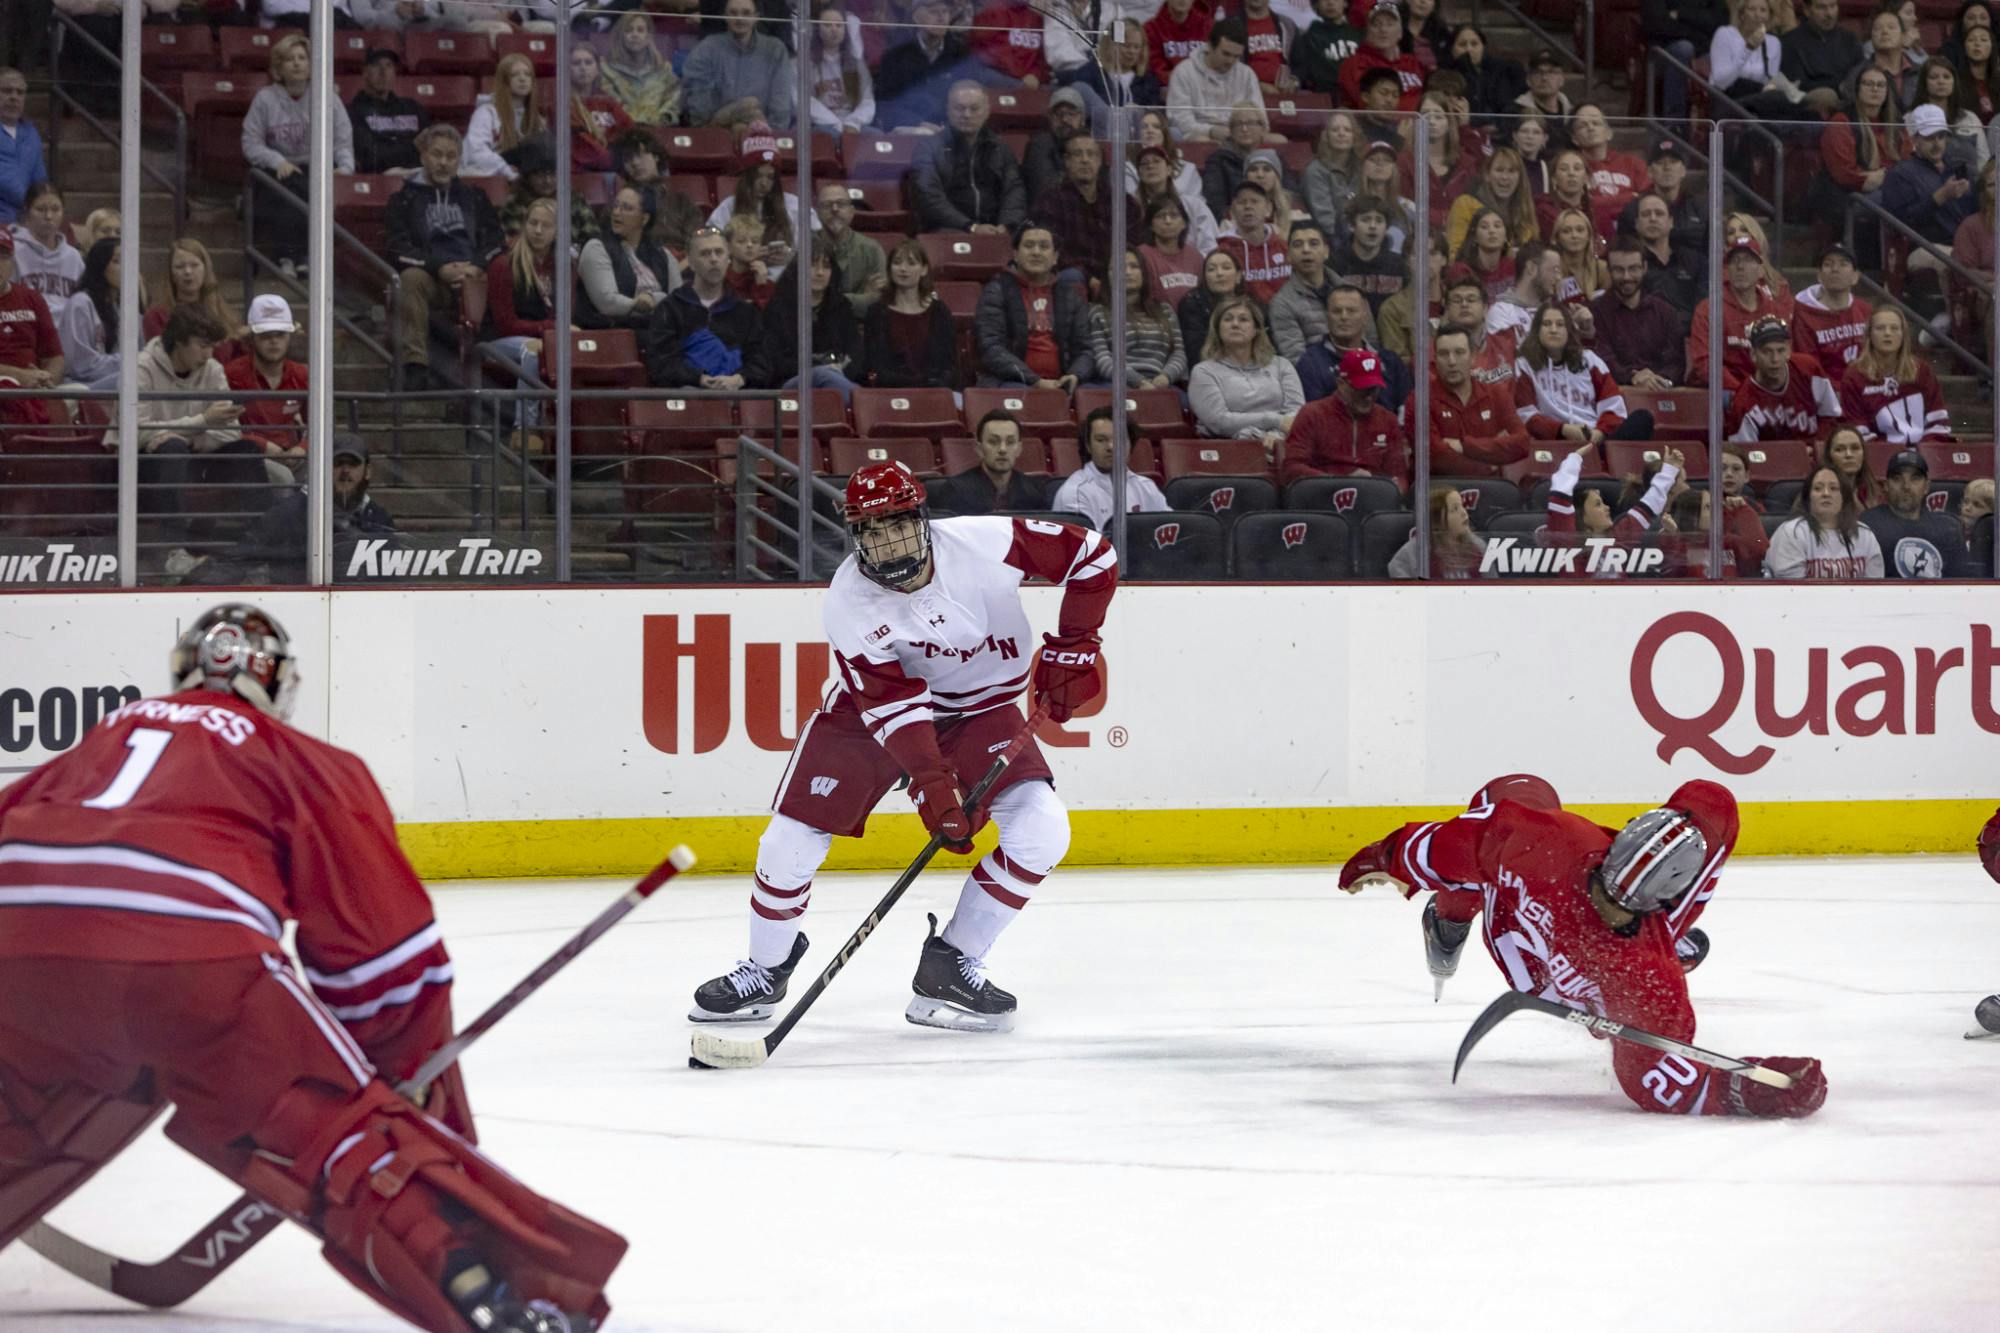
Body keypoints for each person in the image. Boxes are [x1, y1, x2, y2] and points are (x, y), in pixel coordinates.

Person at [0, 604, 626, 1332]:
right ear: (277, 682)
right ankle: (501, 1301)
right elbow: (384, 960)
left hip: (15, 943)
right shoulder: (293, 754)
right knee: (335, 1127)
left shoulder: (100, 740)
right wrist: (403, 1079)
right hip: (191, 959)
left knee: (17, 1103)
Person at [687, 463, 1118, 1032]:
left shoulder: (984, 543)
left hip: (981, 709)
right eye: (871, 530)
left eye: (897, 525)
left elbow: (1093, 556)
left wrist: (1075, 646)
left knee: (1043, 829)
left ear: (922, 519)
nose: (887, 543)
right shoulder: (849, 602)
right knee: (787, 842)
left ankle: (950, 965)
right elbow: (895, 707)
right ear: (854, 535)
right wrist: (935, 786)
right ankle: (765, 970)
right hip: (867, 717)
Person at [1338, 780, 1826, 1117]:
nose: (1607, 905)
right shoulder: (1646, 972)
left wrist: (1382, 856)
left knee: (1506, 807)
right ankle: (1448, 922)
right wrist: (1743, 1091)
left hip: (1562, 956)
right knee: (1509, 800)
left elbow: (1657, 1079)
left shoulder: (1550, 842)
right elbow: (1667, 1086)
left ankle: (1464, 924)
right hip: (1533, 957)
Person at [386, 124, 505, 389]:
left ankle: (491, 364)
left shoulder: (474, 197)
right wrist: (439, 267)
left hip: (474, 278)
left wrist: (476, 266)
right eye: (437, 154)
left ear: (459, 160)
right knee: (410, 279)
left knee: (503, 271)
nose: (443, 163)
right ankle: (415, 367)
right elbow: (397, 248)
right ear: (423, 157)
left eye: (451, 156)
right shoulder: (404, 199)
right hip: (433, 278)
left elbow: (496, 241)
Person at [241, 34, 356, 280]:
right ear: (279, 67)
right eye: (289, 59)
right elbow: (250, 142)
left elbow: (342, 139)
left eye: (302, 58)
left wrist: (345, 167)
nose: (296, 63)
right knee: (291, 188)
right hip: (278, 170)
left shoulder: (327, 97)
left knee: (307, 187)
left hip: (316, 169)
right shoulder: (265, 98)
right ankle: (292, 256)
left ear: (311, 64)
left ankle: (297, 256)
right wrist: (277, 161)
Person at [1515, 302, 1655, 445]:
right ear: (1537, 330)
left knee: (1642, 418)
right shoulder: (1524, 366)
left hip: (1594, 440)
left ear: (1569, 330)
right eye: (1546, 324)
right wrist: (1563, 429)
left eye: (1560, 324)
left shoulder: (1590, 360)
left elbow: (1613, 406)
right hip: (1554, 442)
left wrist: (1600, 433)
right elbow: (1526, 416)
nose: (1553, 330)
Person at [975, 222, 1093, 390]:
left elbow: (1085, 349)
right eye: (1029, 245)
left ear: (1055, 257)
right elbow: (991, 347)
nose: (1036, 252)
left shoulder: (1070, 295)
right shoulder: (997, 290)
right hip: (1011, 381)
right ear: (1015, 254)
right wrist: (1036, 381)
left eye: (1044, 246)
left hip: (1063, 382)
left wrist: (1075, 376)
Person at [1407, 322, 1529, 477]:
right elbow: (1436, 457)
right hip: (1439, 487)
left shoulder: (1496, 394)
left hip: (1490, 487)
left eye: (1459, 352)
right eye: (1444, 354)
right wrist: (1489, 463)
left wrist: (1465, 446)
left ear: (1473, 357)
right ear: (1435, 360)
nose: (1452, 361)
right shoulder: (1419, 400)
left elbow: (1522, 443)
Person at [643, 226, 757, 388]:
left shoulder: (745, 311)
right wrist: (699, 379)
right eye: (705, 253)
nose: (714, 259)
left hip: (738, 393)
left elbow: (760, 360)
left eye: (719, 252)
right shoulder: (670, 308)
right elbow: (662, 363)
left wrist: (739, 379)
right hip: (688, 393)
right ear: (691, 262)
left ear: (728, 259)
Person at [485, 196, 560, 441]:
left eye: (546, 225)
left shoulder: (563, 265)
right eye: (533, 223)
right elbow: (506, 325)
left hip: (547, 337)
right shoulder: (504, 264)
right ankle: (525, 429)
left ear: (558, 231)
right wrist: (550, 329)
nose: (537, 230)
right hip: (497, 343)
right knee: (533, 351)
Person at [1279, 346, 1407, 485]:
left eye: (1374, 389)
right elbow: (1292, 468)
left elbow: (1399, 476)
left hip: (1373, 494)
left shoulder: (1387, 420)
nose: (1369, 397)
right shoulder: (1312, 415)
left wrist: (1394, 487)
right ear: (1341, 384)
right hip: (1322, 494)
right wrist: (1341, 482)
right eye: (1361, 390)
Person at [1190, 295, 1303, 453]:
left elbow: (1297, 412)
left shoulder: (1281, 365)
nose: (1235, 324)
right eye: (1228, 319)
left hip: (1281, 443)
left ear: (1256, 330)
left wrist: (1276, 436)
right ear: (1218, 328)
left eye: (1243, 319)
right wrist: (1272, 421)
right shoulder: (1203, 371)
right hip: (1229, 449)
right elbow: (1219, 422)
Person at [913, 83, 1028, 235]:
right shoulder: (929, 147)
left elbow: (1014, 190)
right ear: (948, 110)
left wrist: (1007, 225)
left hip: (996, 230)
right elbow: (929, 197)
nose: (967, 115)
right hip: (947, 230)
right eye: (959, 108)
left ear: (987, 111)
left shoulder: (1000, 147)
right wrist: (971, 227)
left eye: (974, 109)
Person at [746, 250, 861, 399]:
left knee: (828, 377)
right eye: (812, 265)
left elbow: (855, 352)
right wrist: (819, 367)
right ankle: (866, 404)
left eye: (826, 266)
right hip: (788, 384)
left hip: (837, 378)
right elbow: (774, 360)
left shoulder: (842, 306)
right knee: (823, 374)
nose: (819, 272)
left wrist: (840, 369)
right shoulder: (778, 307)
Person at [1687, 234, 1791, 388]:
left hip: (1766, 388)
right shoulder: (1709, 309)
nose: (1740, 266)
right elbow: (1704, 364)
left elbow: (1786, 356)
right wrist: (1742, 391)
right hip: (1725, 392)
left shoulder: (1775, 311)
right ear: (1727, 269)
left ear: (1761, 270)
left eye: (1748, 260)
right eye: (1735, 261)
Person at [224, 294, 310, 477]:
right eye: (265, 336)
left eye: (280, 334)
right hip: (249, 457)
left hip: (293, 455)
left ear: (290, 337)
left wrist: (302, 448)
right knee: (283, 478)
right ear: (251, 338)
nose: (274, 341)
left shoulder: (302, 375)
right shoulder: (231, 374)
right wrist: (263, 445)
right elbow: (223, 429)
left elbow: (319, 422)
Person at [861, 238, 961, 388]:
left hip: (935, 390)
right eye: (897, 263)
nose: (903, 269)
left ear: (924, 269)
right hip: (891, 391)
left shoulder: (940, 312)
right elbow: (877, 366)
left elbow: (948, 365)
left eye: (911, 263)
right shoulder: (877, 312)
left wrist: (929, 387)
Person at [1840, 306, 1951, 441]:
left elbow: (1938, 421)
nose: (1887, 333)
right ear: (1869, 335)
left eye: (1894, 328)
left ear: (1903, 335)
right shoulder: (1854, 376)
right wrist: (1888, 452)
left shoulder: (1922, 371)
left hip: (1923, 450)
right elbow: (1858, 430)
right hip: (1877, 452)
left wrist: (1923, 450)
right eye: (1880, 328)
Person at [1725, 316, 1843, 442]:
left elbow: (1831, 418)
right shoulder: (1743, 402)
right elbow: (1744, 451)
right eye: (1766, 352)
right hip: (1771, 455)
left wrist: (1816, 448)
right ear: (1753, 354)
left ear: (1788, 351)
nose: (1775, 359)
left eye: (1780, 351)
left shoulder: (1809, 369)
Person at [1049, 407, 1171, 527]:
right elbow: (1084, 540)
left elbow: (1171, 529)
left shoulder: (1146, 487)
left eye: (1119, 439)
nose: (1111, 447)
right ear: (1088, 446)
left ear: (1130, 444)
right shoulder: (1075, 493)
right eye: (1101, 440)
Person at [580, 185, 681, 331]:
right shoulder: (596, 248)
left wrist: (654, 298)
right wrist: (636, 304)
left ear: (644, 218)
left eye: (626, 208)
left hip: (659, 331)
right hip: (612, 333)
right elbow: (608, 303)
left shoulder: (663, 255)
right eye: (615, 206)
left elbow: (678, 301)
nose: (616, 212)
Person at [1036, 133, 1126, 295]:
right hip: (1073, 278)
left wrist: (1109, 278)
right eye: (1078, 154)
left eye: (1091, 154)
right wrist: (1089, 278)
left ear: (1100, 160)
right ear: (1067, 161)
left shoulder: (1119, 201)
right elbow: (1052, 250)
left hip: (1113, 277)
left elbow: (1131, 246)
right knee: (1071, 276)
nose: (1085, 160)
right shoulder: (1050, 200)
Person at [1298, 281, 1412, 408]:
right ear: (1327, 316)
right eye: (1337, 311)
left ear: (1365, 317)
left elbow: (1406, 409)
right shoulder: (1311, 362)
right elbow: (1315, 413)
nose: (1344, 317)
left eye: (1351, 311)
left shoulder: (1390, 362)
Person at [685, 0, 797, 129]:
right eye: (733, 13)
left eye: (746, 13)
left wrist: (775, 132)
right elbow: (699, 103)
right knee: (749, 105)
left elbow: (781, 100)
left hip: (765, 130)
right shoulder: (706, 48)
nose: (739, 18)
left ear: (756, 17)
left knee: (751, 109)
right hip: (716, 129)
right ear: (725, 16)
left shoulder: (775, 49)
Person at [1882, 103, 1977, 255]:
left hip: (1968, 245)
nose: (1937, 143)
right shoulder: (1900, 174)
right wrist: (1939, 197)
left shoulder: (1959, 168)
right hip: (1927, 249)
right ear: (1914, 140)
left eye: (1941, 137)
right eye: (1929, 138)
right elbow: (1900, 224)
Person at [1592, 240, 1687, 388]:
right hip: (1616, 391)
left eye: (1633, 269)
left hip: (1663, 391)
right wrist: (1632, 376)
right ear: (1609, 271)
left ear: (1645, 268)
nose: (1626, 277)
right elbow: (1603, 358)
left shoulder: (1665, 311)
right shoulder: (1597, 312)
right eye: (1618, 270)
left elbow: (1676, 361)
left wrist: (1660, 380)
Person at [1862, 447, 1969, 576]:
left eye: (1915, 478)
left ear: (1926, 487)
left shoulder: (1948, 528)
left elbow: (1963, 582)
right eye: (1897, 479)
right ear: (1886, 486)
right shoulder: (1868, 525)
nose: (1906, 486)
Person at [1767, 463, 1886, 576]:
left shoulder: (1864, 535)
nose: (1826, 494)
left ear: (1844, 497)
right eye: (1818, 488)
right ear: (1808, 497)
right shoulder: (1792, 533)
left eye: (1834, 488)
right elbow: (1791, 587)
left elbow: (1874, 585)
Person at [1092, 249, 1188, 389]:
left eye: (1134, 266)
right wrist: (1138, 381)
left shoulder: (1164, 310)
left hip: (1160, 383)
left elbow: (1178, 352)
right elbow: (1102, 358)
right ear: (1108, 276)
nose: (1128, 272)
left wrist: (1166, 376)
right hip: (1117, 385)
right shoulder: (1098, 312)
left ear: (1144, 273)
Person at [930, 410, 1053, 513]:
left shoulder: (1035, 491)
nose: (1002, 449)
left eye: (1010, 442)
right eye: (993, 442)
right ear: (979, 448)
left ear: (1019, 449)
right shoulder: (955, 490)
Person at [876, 0, 972, 131]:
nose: (941, 18)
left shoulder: (960, 53)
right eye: (934, 12)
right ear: (916, 18)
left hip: (949, 129)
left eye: (945, 12)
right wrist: (919, 124)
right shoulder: (895, 55)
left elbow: (967, 98)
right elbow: (886, 104)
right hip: (908, 128)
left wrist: (947, 128)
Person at [0, 227, 62, 429]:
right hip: (5, 390)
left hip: (35, 387)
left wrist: (46, 380)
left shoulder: (31, 298)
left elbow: (54, 356)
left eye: (3, 257)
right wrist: (19, 376)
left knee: (84, 394)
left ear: (12, 261)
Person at [1168, 20, 1267, 143]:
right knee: (1202, 141)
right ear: (1210, 46)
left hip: (1240, 135)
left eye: (1236, 56)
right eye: (1226, 54)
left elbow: (1260, 117)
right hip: (1200, 135)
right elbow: (1178, 120)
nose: (1231, 61)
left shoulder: (1247, 74)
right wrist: (1210, 131)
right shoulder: (1184, 72)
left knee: (1279, 140)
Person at [1789, 243, 1873, 382]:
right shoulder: (1803, 314)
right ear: (1819, 276)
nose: (1835, 269)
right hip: (1824, 391)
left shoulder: (1865, 310)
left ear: (1855, 276)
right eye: (1828, 264)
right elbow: (1809, 367)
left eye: (1843, 264)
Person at [1709, 0, 1803, 120]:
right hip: (1728, 100)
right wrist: (1748, 49)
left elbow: (1769, 80)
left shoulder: (1773, 43)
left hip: (1758, 100)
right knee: (1776, 100)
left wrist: (1785, 86)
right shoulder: (1725, 34)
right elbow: (1720, 82)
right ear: (1742, 14)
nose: (1758, 15)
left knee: (1801, 106)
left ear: (1769, 16)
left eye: (1763, 10)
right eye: (1752, 9)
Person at [463, 52, 546, 183]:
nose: (522, 79)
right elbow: (476, 153)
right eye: (514, 75)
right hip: (494, 180)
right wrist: (506, 170)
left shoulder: (538, 120)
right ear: (504, 80)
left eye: (527, 74)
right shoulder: (486, 113)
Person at [9, 183, 82, 325]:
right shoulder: (13, 252)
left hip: (66, 331)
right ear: (27, 211)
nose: (49, 216)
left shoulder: (74, 257)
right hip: (26, 328)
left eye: (55, 209)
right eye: (40, 209)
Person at [54, 235, 119, 392]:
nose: (126, 268)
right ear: (100, 266)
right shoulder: (80, 303)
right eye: (117, 261)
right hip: (81, 386)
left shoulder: (121, 307)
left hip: (111, 380)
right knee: (130, 378)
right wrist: (129, 361)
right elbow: (80, 365)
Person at [349, 46, 427, 176]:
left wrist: (392, 150)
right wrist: (413, 147)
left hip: (421, 175)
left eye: (389, 65)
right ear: (365, 72)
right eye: (376, 65)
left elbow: (431, 145)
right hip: (382, 180)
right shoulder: (354, 112)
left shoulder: (412, 107)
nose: (383, 72)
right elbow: (372, 158)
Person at [1444, 147, 1537, 256]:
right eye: (1499, 170)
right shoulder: (1465, 205)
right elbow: (1454, 254)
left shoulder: (1524, 213)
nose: (1505, 177)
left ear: (1520, 178)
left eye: (1511, 171)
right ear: (1487, 175)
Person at [600, 11, 685, 127]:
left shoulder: (664, 69)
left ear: (649, 36)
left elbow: (673, 104)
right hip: (621, 130)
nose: (634, 34)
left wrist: (661, 119)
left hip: (659, 130)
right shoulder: (606, 69)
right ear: (621, 35)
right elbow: (610, 105)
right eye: (629, 30)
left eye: (640, 30)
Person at [815, 183, 887, 316]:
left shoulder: (872, 250)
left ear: (852, 212)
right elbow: (803, 303)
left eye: (841, 204)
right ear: (817, 213)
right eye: (827, 205)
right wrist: (862, 297)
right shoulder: (805, 247)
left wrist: (822, 299)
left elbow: (877, 304)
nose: (835, 209)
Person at [1215, 182, 1294, 304]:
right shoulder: (1222, 252)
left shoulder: (1284, 248)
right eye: (1241, 202)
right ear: (1232, 212)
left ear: (1268, 209)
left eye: (1255, 201)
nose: (1248, 206)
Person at [1388, 483, 1490, 577]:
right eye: (1455, 509)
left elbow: (1493, 585)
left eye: (1462, 506)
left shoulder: (1478, 545)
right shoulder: (1412, 553)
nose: (1464, 513)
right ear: (1435, 519)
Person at [1265, 223, 1335, 360]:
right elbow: (1295, 357)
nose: (1306, 250)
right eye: (1298, 245)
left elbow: (1369, 340)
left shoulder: (1350, 291)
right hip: (1313, 370)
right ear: (1288, 255)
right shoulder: (1282, 302)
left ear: (1326, 251)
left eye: (1313, 243)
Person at [1202, 106, 1286, 219]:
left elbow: (1290, 194)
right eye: (1238, 124)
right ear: (1231, 131)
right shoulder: (1218, 160)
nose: (1244, 129)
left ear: (1262, 128)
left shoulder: (1275, 157)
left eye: (1250, 123)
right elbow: (1215, 202)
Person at [1340, 0, 1425, 110]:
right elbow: (1365, 104)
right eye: (1376, 24)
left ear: (1400, 32)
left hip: (1418, 120)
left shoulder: (1413, 64)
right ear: (1367, 32)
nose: (1383, 30)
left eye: (1390, 24)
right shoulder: (1354, 65)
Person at [804, 1, 875, 131]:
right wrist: (837, 124)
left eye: (839, 25)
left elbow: (867, 101)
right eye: (827, 25)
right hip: (820, 125)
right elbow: (804, 101)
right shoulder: (805, 63)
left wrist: (853, 123)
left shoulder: (857, 64)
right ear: (817, 30)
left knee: (876, 136)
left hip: (852, 124)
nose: (834, 29)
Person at [1784, 0, 1864, 116]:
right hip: (1809, 106)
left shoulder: (1850, 40)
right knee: (1826, 96)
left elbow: (1859, 75)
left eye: (1833, 6)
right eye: (1821, 7)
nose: (1829, 14)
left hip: (1848, 100)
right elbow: (1798, 84)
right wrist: (1838, 86)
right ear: (1807, 10)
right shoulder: (1790, 42)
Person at [1631, 191, 1704, 315]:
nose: (1653, 219)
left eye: (1659, 213)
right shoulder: (1629, 264)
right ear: (1637, 223)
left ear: (1671, 222)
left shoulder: (1694, 261)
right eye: (1646, 214)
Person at [1177, 248, 1250, 360]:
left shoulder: (1251, 304)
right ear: (1205, 277)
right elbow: (1196, 350)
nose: (1219, 273)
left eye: (1226, 268)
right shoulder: (1191, 304)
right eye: (1211, 269)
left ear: (1238, 276)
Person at [1023, 88, 1089, 205]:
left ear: (1082, 118)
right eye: (1058, 114)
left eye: (1071, 113)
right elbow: (1046, 192)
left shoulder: (1092, 147)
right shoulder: (1040, 145)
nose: (1064, 119)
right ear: (1050, 118)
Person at [1850, 3, 1923, 108]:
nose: (1884, 31)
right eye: (1878, 28)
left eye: (1891, 27)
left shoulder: (1921, 73)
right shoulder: (1857, 75)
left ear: (1903, 36)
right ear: (1872, 37)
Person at [1301, 113, 1362, 240]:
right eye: (1335, 130)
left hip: (1363, 235)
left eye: (1347, 130)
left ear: (1355, 136)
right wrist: (1352, 237)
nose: (1341, 134)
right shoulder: (1315, 170)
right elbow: (1325, 219)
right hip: (1333, 239)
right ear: (1326, 136)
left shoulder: (1362, 168)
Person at [0, 67, 48, 227]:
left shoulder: (31, 133)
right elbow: (5, 180)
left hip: (27, 221)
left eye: (20, 93)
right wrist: (37, 206)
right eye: (7, 91)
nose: (14, 97)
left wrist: (46, 203)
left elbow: (40, 179)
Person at [971, 0, 1051, 91]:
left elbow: (1043, 57)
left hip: (1030, 79)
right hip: (998, 74)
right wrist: (1021, 76)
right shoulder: (991, 12)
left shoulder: (1038, 17)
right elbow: (983, 50)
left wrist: (1035, 74)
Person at [1230, 0, 1302, 94]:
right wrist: (1257, 86)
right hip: (1246, 94)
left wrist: (1293, 82)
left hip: (1285, 94)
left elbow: (1300, 65)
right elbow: (1227, 69)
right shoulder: (1231, 26)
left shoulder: (1287, 25)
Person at [1292, 0, 1362, 95]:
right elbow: (1303, 72)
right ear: (1316, 5)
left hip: (1360, 93)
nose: (1330, 3)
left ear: (1345, 3)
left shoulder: (1360, 34)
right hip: (1325, 95)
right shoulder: (1308, 38)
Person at [1452, 208, 1517, 301]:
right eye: (1484, 227)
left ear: (1506, 236)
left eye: (1497, 226)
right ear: (1475, 237)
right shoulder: (1462, 270)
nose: (1492, 231)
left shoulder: (1513, 267)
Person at [1514, 47, 1575, 146]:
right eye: (1538, 72)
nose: (1544, 78)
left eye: (1551, 72)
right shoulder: (1515, 113)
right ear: (1528, 79)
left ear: (1562, 79)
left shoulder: (1573, 113)